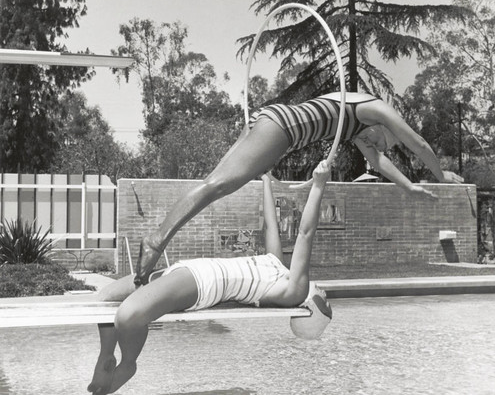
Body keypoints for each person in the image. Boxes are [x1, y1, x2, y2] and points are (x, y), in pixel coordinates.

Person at [134, 91, 464, 285]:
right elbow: (419, 144)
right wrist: (439, 174)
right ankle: (155, 240)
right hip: (284, 129)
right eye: (381, 140)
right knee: (218, 185)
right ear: (384, 127)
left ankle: (155, 243)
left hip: (273, 119)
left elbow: (377, 162)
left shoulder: (360, 128)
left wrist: (408, 187)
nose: (372, 144)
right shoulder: (375, 108)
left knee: (214, 186)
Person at [87, 160, 333, 395]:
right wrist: (266, 180)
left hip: (203, 284)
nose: (324, 292)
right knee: (106, 297)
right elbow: (270, 225)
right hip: (194, 270)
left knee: (128, 317)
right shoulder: (278, 265)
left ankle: (128, 363)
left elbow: (305, 233)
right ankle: (106, 354)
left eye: (325, 299)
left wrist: (319, 185)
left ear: (315, 305)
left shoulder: (295, 291)